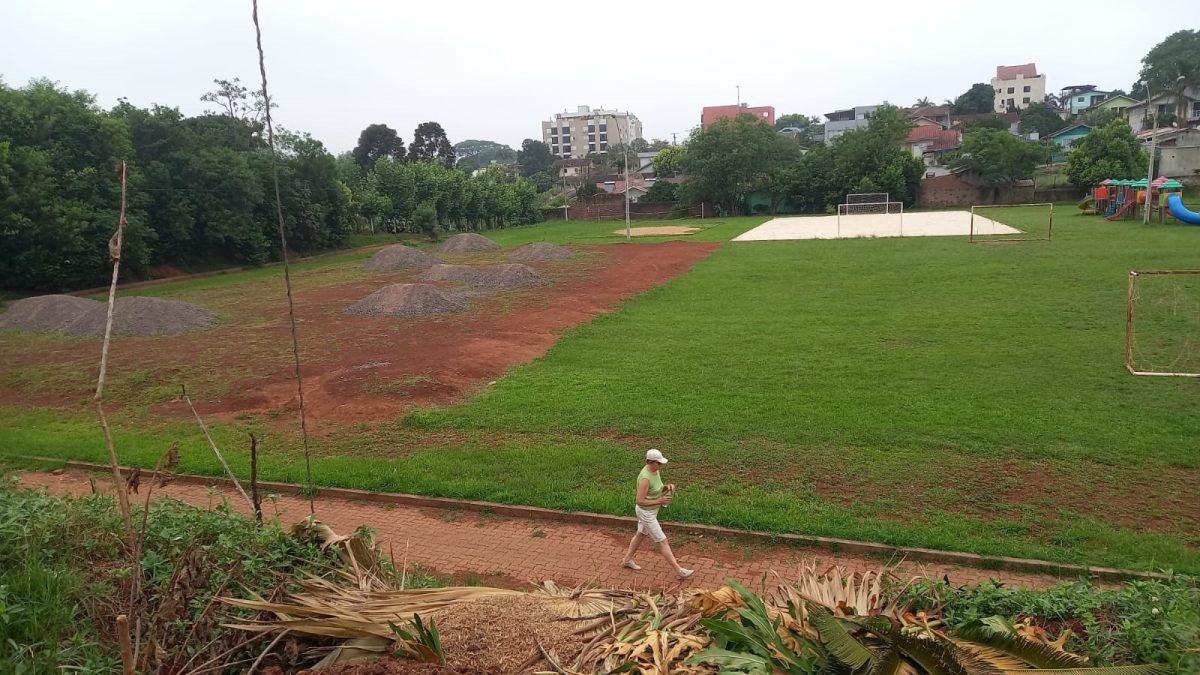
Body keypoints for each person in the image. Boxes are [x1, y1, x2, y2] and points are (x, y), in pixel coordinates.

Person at [622, 448, 693, 579]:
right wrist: (660, 500)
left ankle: (627, 560)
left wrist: (667, 487)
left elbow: (657, 489)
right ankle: (679, 570)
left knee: (641, 534)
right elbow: (639, 500)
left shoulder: (655, 471)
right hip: (646, 514)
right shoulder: (645, 478)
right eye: (658, 463)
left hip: (652, 511)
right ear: (651, 462)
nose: (660, 465)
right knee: (663, 540)